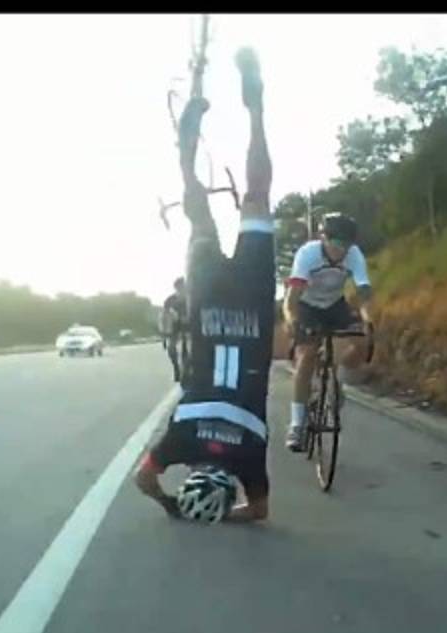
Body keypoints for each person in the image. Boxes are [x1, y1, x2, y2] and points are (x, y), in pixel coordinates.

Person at [135, 47, 275, 523]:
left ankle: (256, 109)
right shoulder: (179, 442)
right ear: (192, 474)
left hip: (254, 305)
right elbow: (142, 480)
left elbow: (259, 511)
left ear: (229, 483)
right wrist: (169, 504)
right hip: (209, 303)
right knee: (198, 213)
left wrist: (225, 514)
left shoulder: (249, 459)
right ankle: (185, 153)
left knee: (257, 197)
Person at [282, 212, 373, 452]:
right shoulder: (308, 254)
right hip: (307, 306)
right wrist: (293, 321)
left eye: (347, 245)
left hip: (335, 305)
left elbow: (364, 293)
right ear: (323, 238)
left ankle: (336, 381)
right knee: (307, 355)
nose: (341, 250)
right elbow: (291, 300)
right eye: (337, 244)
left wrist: (368, 319)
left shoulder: (354, 255)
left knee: (361, 344)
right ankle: (297, 424)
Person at [161, 276, 188, 382]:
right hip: (175, 327)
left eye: (183, 287)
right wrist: (164, 336)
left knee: (187, 348)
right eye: (179, 288)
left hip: (190, 326)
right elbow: (164, 317)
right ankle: (176, 368)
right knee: (171, 348)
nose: (181, 290)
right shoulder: (170, 300)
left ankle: (186, 369)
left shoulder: (192, 298)